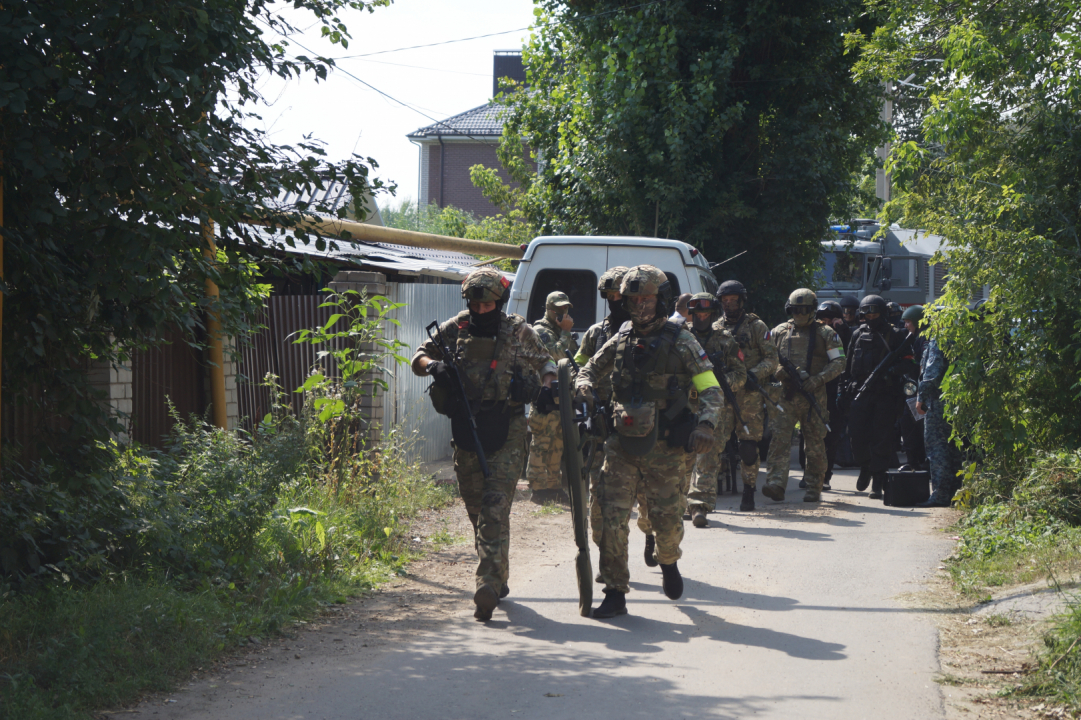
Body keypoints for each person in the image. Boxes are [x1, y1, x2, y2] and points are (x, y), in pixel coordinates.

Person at [411, 268, 557, 621]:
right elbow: (418, 357)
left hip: (506, 428)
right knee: (477, 510)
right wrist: (435, 367)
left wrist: (548, 386)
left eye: (487, 305)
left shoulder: (518, 331)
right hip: (466, 429)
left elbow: (547, 363)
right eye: (474, 304)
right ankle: (498, 573)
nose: (479, 311)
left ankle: (487, 585)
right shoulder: (456, 327)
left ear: (499, 302)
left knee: (494, 508)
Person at [576, 265, 721, 619]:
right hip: (621, 444)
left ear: (661, 300)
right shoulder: (621, 337)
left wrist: (706, 426)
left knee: (667, 523)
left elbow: (711, 390)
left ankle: (668, 561)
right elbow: (588, 368)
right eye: (634, 299)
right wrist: (582, 385)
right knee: (611, 517)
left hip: (667, 448)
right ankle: (614, 592)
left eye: (648, 299)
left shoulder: (682, 339)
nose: (641, 306)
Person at [762, 289, 846, 502]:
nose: (799, 314)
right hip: (785, 396)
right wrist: (777, 370)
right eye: (795, 310)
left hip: (813, 397)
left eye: (804, 310)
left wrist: (818, 379)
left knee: (815, 444)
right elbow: (767, 356)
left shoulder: (826, 333)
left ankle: (813, 486)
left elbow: (839, 362)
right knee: (779, 440)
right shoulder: (780, 331)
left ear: (812, 310)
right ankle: (776, 483)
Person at [574, 266, 631, 544]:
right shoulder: (596, 333)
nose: (614, 301)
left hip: (635, 420)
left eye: (618, 294)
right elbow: (578, 367)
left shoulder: (643, 333)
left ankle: (649, 536)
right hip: (600, 420)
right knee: (598, 486)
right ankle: (603, 542)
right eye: (608, 295)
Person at [684, 293, 747, 527]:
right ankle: (681, 502)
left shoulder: (726, 341)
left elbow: (741, 374)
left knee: (709, 456)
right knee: (683, 455)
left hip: (715, 407)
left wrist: (719, 383)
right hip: (684, 406)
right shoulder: (681, 337)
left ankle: (700, 505)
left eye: (706, 314)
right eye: (697, 313)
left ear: (712, 315)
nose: (701, 317)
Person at [717, 280, 779, 511]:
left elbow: (772, 358)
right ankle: (705, 492)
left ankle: (749, 490)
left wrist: (755, 373)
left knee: (748, 447)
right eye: (725, 301)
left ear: (741, 301)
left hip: (749, 395)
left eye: (733, 300)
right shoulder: (716, 328)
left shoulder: (756, 326)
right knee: (713, 443)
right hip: (723, 394)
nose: (729, 305)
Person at [844, 294, 913, 499]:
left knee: (881, 439)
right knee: (856, 436)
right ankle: (865, 466)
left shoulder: (896, 335)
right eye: (867, 313)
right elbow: (848, 365)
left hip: (885, 393)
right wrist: (844, 389)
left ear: (882, 314)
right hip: (860, 391)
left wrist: (890, 371)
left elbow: (909, 362)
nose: (870, 316)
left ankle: (878, 479)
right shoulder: (857, 334)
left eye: (874, 312)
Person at [526, 291, 579, 504]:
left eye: (565, 309)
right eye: (557, 309)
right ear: (548, 309)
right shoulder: (541, 331)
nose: (562, 313)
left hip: (561, 396)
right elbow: (555, 356)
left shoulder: (558, 331)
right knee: (541, 443)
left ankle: (553, 486)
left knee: (557, 444)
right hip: (545, 396)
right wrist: (566, 333)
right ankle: (538, 489)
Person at [916, 317, 962, 507]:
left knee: (938, 449)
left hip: (938, 401)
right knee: (955, 450)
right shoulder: (962, 338)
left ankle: (941, 495)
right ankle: (958, 492)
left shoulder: (940, 339)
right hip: (958, 401)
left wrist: (921, 396)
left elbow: (932, 372)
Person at [811, 300, 850, 490]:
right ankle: (810, 474)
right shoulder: (811, 334)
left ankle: (826, 475)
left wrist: (841, 331)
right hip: (813, 388)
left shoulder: (843, 334)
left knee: (831, 434)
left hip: (834, 389)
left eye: (830, 320)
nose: (825, 324)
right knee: (808, 433)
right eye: (822, 319)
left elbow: (843, 358)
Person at [898, 305, 927, 471]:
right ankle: (912, 461)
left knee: (921, 428)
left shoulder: (925, 339)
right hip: (912, 390)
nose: (905, 326)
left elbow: (923, 365)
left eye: (908, 322)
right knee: (907, 424)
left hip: (921, 392)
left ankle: (923, 461)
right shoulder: (911, 338)